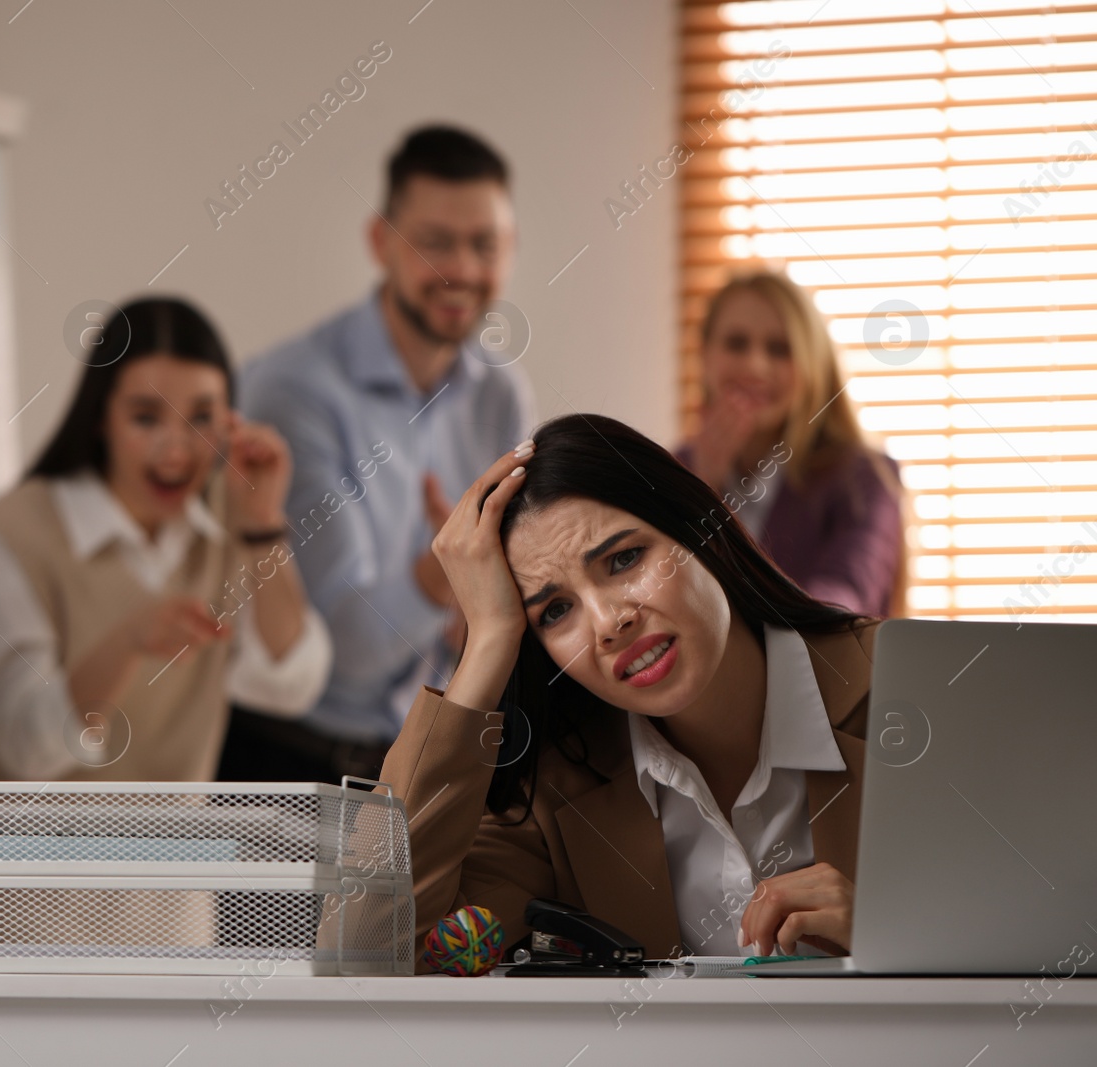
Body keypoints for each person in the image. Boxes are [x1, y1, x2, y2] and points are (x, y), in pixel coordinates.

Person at [380, 413, 876, 967]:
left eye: (623, 559)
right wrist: (489, 639)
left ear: (698, 528)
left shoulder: (918, 688)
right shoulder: (554, 801)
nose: (608, 622)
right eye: (556, 611)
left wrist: (895, 932)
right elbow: (379, 951)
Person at [222, 125, 534, 784]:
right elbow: (338, 653)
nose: (463, 270)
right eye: (436, 242)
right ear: (379, 243)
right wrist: (440, 578)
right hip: (292, 767)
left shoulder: (500, 393)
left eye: (484, 245)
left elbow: (506, 605)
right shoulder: (293, 389)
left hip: (427, 763)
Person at [0, 297, 331, 782]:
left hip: (172, 853)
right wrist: (130, 642)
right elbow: (23, 748)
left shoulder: (231, 522)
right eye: (146, 418)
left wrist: (262, 525)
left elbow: (290, 686)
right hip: (23, 852)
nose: (175, 449)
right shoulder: (17, 532)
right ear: (99, 418)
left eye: (200, 418)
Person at [677, 270, 905, 616]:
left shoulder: (864, 478)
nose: (755, 365)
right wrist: (700, 495)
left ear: (812, 366)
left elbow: (843, 602)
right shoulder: (667, 469)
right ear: (706, 356)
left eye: (779, 349)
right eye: (737, 343)